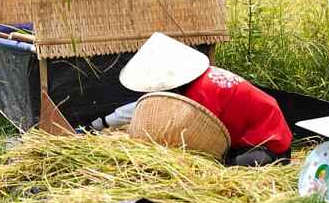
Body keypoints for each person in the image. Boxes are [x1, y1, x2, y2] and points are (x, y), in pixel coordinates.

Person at [110, 32, 292, 166]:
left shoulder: (201, 93)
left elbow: (200, 141)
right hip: (250, 134)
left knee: (218, 166)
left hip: (268, 144)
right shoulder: (199, 80)